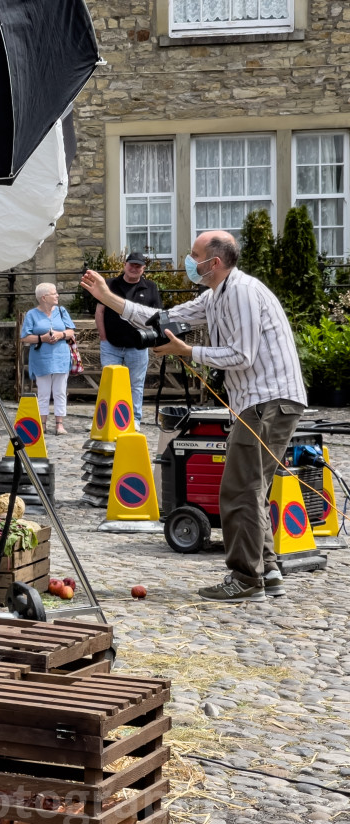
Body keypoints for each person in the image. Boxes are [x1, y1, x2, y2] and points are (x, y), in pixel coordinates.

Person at [82, 230, 306, 603]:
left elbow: (243, 355)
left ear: (213, 263)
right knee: (251, 488)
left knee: (239, 489)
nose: (188, 260)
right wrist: (108, 297)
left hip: (269, 400)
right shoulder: (216, 294)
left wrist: (190, 351)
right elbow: (160, 316)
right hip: (259, 401)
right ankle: (267, 570)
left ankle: (245, 579)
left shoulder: (243, 292)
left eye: (194, 254)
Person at [94, 252, 162, 428]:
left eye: (138, 266)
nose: (134, 268)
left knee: (136, 385)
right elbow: (100, 311)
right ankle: (106, 419)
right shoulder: (110, 284)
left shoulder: (150, 287)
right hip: (111, 344)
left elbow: (157, 316)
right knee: (109, 383)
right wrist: (103, 337)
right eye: (131, 264)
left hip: (137, 346)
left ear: (143, 269)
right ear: (125, 265)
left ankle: (134, 419)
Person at [20, 283, 75, 435]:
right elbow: (24, 337)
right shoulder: (31, 314)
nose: (57, 295)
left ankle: (59, 424)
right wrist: (42, 338)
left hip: (61, 357)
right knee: (43, 392)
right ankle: (42, 424)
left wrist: (60, 335)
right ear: (44, 298)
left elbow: (71, 331)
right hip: (41, 358)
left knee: (60, 391)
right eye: (54, 293)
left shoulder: (62, 311)